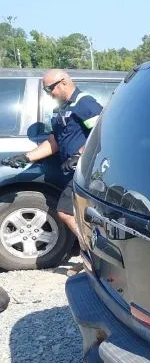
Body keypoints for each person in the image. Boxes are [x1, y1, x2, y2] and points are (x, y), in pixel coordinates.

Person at [1, 69, 102, 269]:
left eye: (50, 89)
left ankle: (94, 257)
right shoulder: (63, 109)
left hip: (85, 171)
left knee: (66, 213)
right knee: (80, 216)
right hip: (71, 172)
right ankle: (91, 257)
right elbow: (55, 141)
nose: (50, 94)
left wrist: (79, 154)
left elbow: (100, 132)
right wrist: (27, 157)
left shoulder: (84, 103)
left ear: (63, 82)